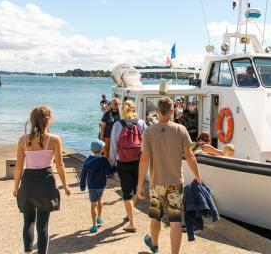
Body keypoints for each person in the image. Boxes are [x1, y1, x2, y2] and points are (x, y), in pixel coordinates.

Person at [137, 97, 202, 254]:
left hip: (156, 183)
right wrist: (197, 177)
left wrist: (139, 185)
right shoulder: (180, 130)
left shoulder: (149, 131)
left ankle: (154, 244)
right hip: (175, 184)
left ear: (157, 112)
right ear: (172, 111)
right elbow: (190, 156)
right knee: (175, 222)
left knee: (155, 217)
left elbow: (144, 159)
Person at [13, 106, 71, 254]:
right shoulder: (54, 139)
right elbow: (60, 165)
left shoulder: (23, 140)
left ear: (32, 120)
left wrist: (16, 187)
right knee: (43, 225)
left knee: (28, 221)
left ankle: (27, 252)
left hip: (28, 183)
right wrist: (65, 186)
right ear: (48, 120)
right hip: (45, 182)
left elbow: (19, 167)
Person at [110, 100, 146, 233]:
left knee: (127, 193)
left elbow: (113, 146)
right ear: (135, 109)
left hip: (123, 162)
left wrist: (111, 162)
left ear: (122, 110)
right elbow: (146, 143)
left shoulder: (117, 125)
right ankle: (129, 214)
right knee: (136, 189)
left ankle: (131, 223)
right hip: (139, 162)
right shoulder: (141, 123)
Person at [79, 140, 115, 233]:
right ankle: (99, 218)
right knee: (100, 199)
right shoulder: (104, 160)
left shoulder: (87, 161)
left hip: (91, 185)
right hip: (101, 185)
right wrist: (116, 166)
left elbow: (83, 175)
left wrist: (82, 185)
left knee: (93, 204)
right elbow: (109, 172)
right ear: (102, 149)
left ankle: (94, 225)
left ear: (91, 149)